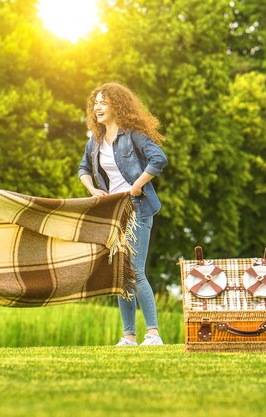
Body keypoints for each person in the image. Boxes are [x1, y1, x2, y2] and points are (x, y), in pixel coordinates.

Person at [78, 82, 168, 346]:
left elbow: (158, 159)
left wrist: (138, 185)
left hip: (138, 210)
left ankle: (153, 334)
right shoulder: (94, 142)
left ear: (117, 106)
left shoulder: (133, 135)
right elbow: (83, 169)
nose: (97, 107)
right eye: (95, 103)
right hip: (114, 213)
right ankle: (128, 336)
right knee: (120, 274)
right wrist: (93, 189)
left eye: (103, 102)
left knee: (135, 272)